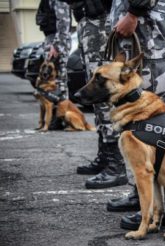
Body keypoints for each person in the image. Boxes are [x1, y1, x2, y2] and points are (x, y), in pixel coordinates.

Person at [106, 0, 165, 230]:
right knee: (136, 122)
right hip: (134, 24)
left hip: (144, 23)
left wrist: (134, 12)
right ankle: (142, 195)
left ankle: (164, 206)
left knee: (154, 113)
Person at [59, 0, 129, 189]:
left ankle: (116, 165)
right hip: (86, 22)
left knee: (102, 92)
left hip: (100, 21)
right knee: (95, 96)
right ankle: (105, 156)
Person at [35, 0, 71, 129]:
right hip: (51, 39)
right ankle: (53, 119)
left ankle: (60, 119)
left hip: (57, 42)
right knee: (52, 84)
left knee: (60, 83)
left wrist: (56, 45)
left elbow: (63, 22)